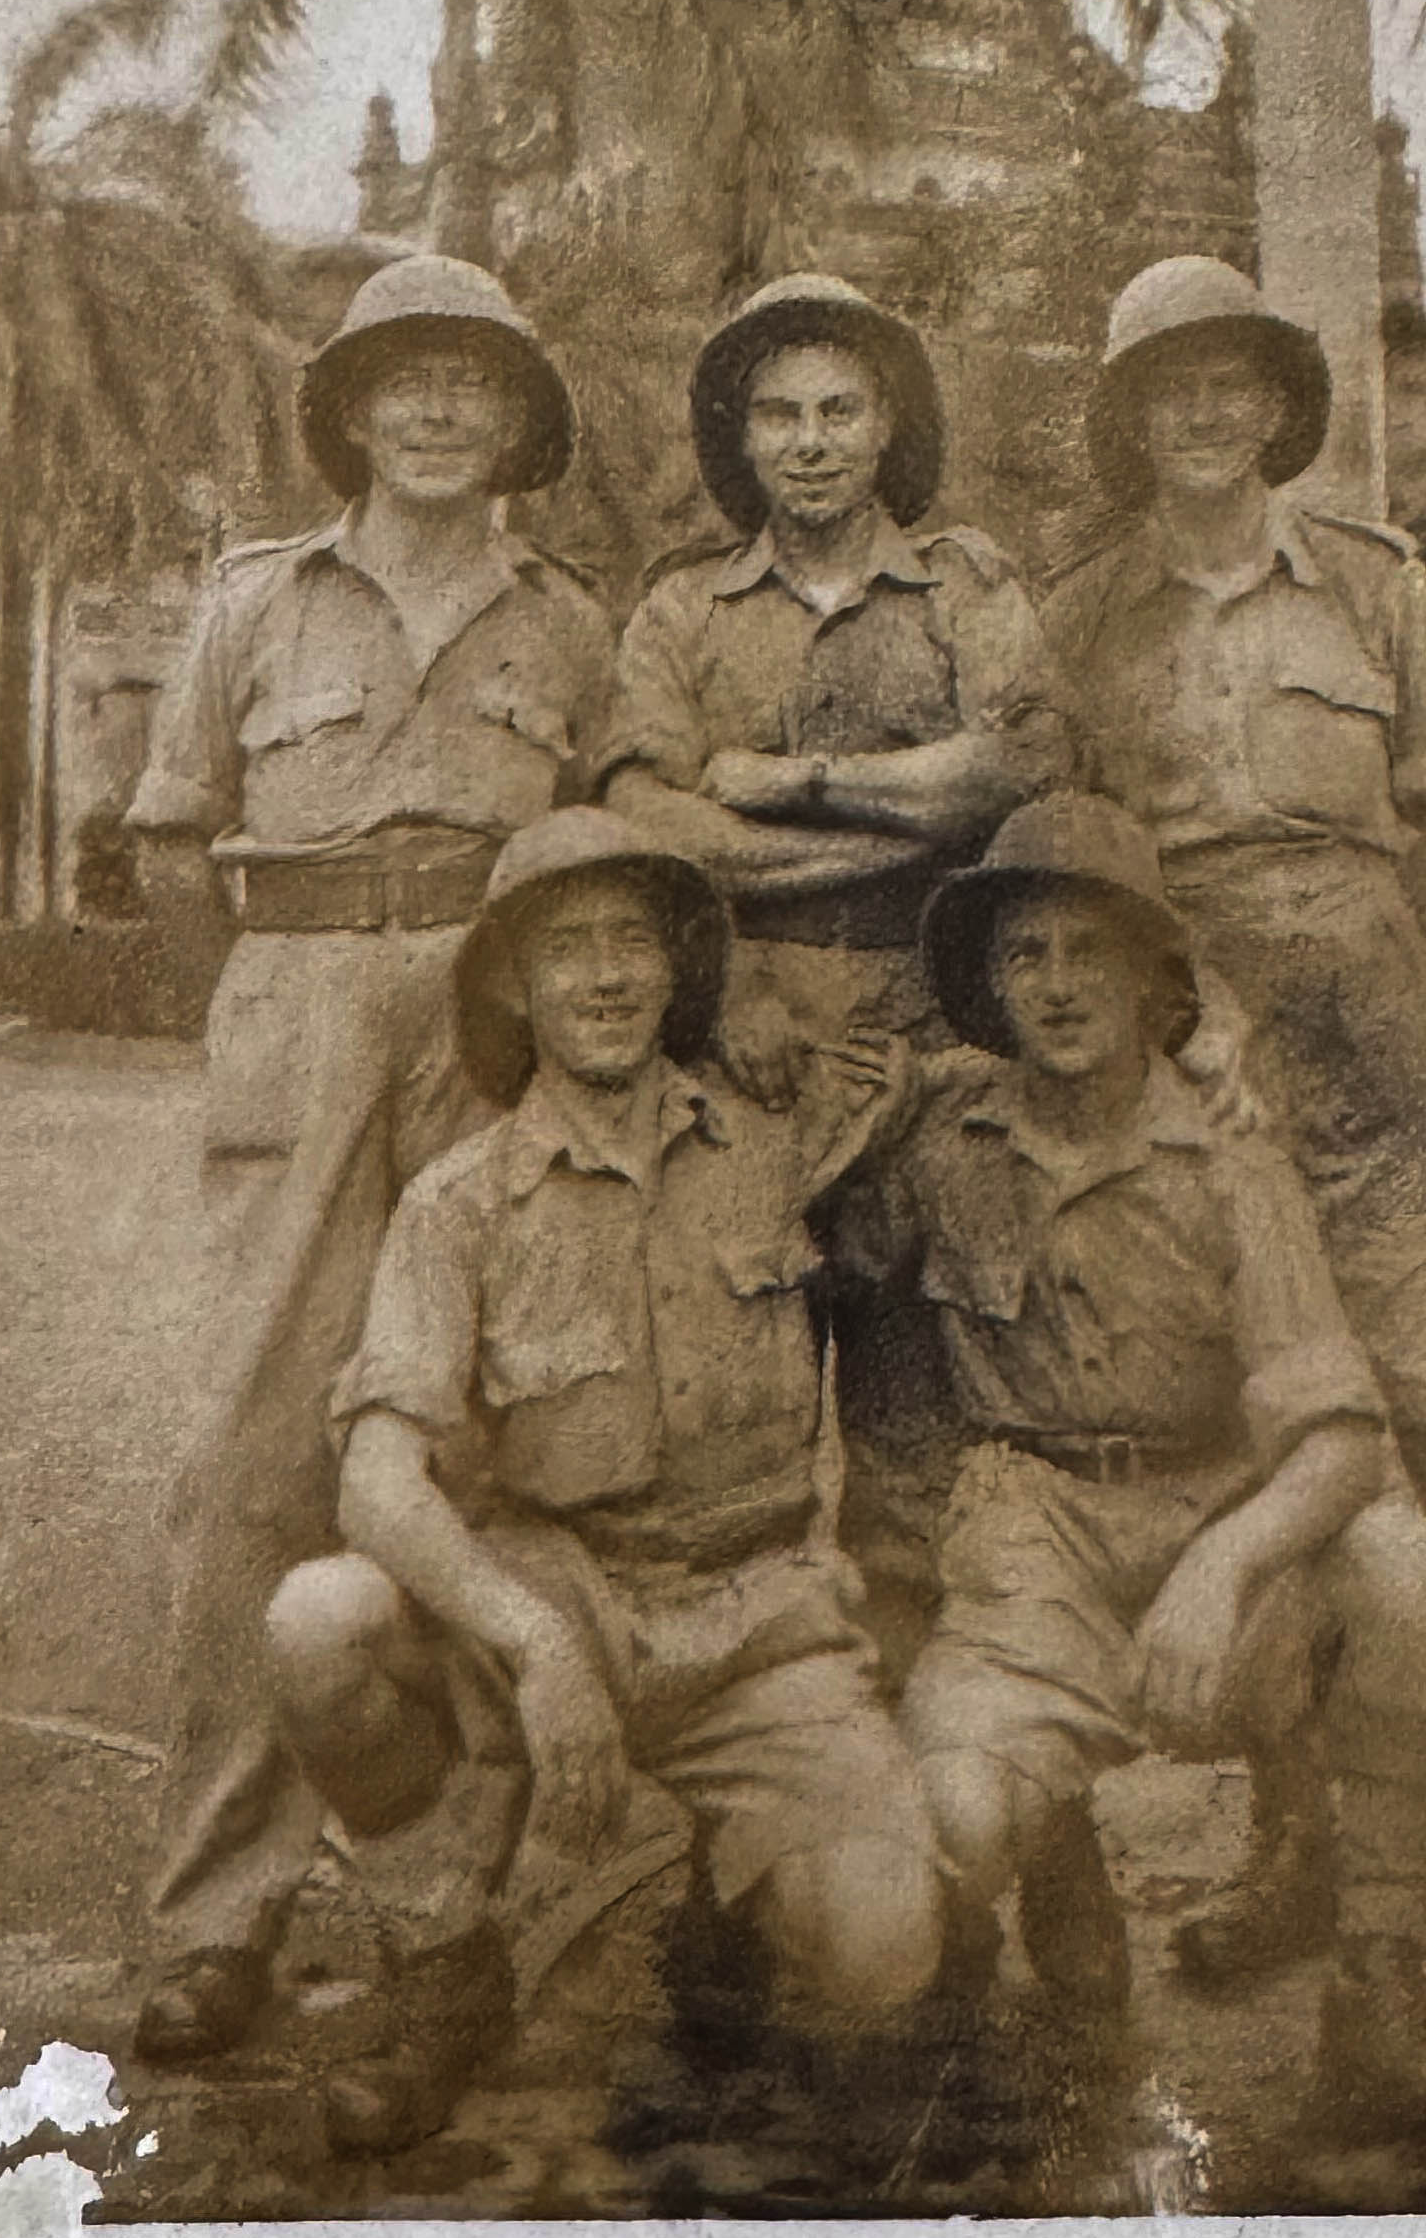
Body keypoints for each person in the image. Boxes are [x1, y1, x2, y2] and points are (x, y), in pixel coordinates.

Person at [1043, 255, 1426, 2033]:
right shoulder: (1080, 615)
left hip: (1375, 1065)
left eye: (1231, 385)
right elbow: (1066, 850)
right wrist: (1179, 1029)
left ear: (1273, 409)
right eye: (1165, 388)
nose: (1201, 416)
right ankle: (1303, 1861)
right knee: (1269, 1460)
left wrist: (1397, 995)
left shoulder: (1379, 589)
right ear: (1127, 417)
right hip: (1185, 1074)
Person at [594, 271, 1136, 1992]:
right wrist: (864, 835)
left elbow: (1019, 776)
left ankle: (1032, 1850)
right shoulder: (683, 607)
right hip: (746, 1061)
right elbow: (644, 817)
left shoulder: (970, 584)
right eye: (776, 415)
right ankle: (749, 1860)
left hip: (936, 1055)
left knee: (953, 1463)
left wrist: (796, 787)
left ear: (888, 422)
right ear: (736, 437)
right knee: (733, 1475)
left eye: (838, 410)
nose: (808, 444)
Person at [264, 809, 944, 2158]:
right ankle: (445, 1964)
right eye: (564, 948)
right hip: (552, 1599)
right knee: (319, 1623)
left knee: (882, 1955)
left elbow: (969, 1078)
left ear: (678, 968)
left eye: (631, 938)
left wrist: (1202, 1042)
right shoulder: (457, 1203)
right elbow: (377, 1481)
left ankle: (723, 1914)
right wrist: (532, 1643)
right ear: (513, 986)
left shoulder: (774, 1146)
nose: (606, 976)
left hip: (758, 1624)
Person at [125, 255, 612, 2067]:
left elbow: (614, 846)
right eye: (398, 381)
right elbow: (176, 845)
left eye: (468, 386)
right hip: (302, 1005)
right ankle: (214, 1915)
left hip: (491, 1031)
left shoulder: (566, 617)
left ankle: (451, 1914)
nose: (432, 411)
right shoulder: (257, 600)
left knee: (469, 1456)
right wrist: (260, 1026)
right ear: (347, 410)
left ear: (512, 423)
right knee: (253, 1467)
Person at [885, 793, 1426, 2147]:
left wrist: (1224, 1561)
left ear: (1160, 980)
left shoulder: (1228, 1155)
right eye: (1022, 956)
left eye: (1088, 952)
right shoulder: (937, 1135)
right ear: (986, 983)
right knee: (949, 1820)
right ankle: (1024, 1926)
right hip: (1031, 1545)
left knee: (1400, 1564)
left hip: (1216, 1517)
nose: (1056, 986)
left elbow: (1337, 1438)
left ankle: (1380, 1974)